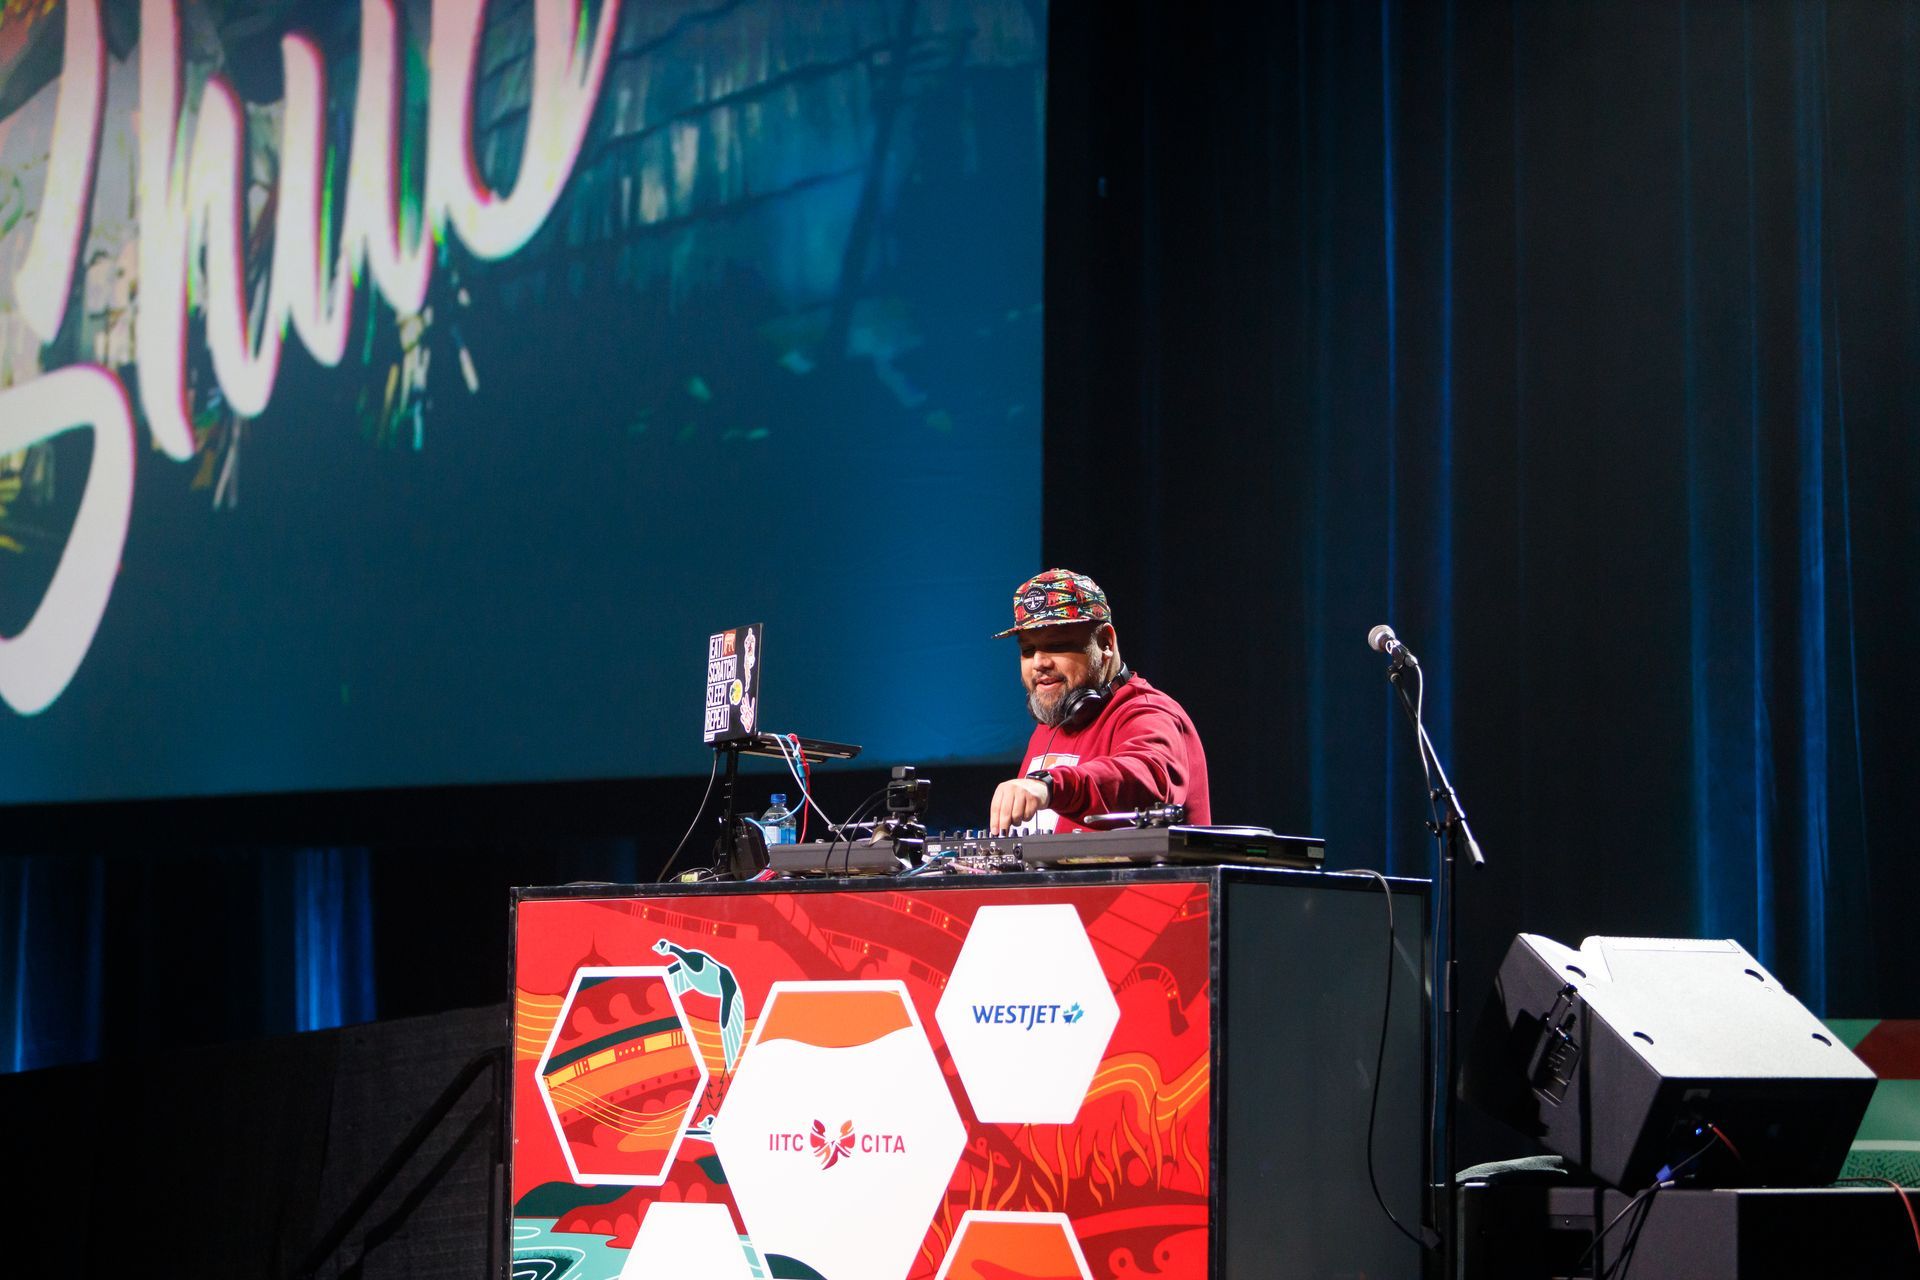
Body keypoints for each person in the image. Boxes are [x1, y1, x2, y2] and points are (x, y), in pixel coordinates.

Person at [988, 569, 1211, 834]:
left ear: (1105, 642)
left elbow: (1147, 777)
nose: (1039, 663)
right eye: (1028, 650)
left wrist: (1048, 785)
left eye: (1057, 646)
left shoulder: (1149, 712)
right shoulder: (1050, 728)